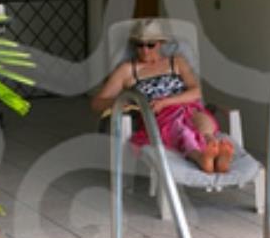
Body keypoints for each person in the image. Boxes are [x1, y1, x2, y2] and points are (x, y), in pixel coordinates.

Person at [92, 19, 233, 173]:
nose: (145, 50)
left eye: (150, 44)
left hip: (187, 107)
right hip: (159, 115)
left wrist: (166, 101)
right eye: (139, 45)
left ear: (160, 43)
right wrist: (122, 101)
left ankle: (216, 151)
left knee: (203, 122)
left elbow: (196, 92)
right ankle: (200, 157)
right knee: (180, 129)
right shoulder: (127, 70)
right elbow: (97, 103)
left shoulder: (176, 62)